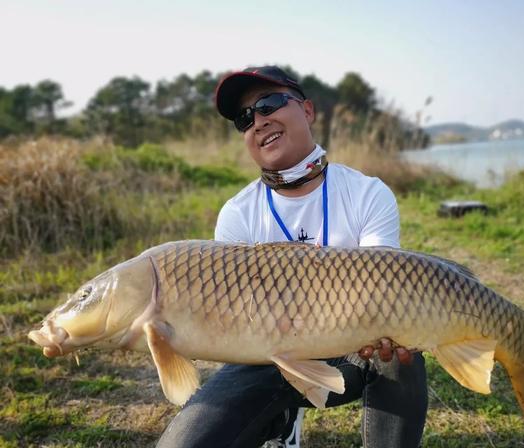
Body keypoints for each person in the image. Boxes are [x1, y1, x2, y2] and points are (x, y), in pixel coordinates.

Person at [156, 66, 428, 448]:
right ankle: (278, 419)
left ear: (308, 110)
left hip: (351, 351)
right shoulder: (237, 213)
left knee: (401, 354)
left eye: (269, 103)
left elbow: (384, 290)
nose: (259, 121)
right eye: (245, 118)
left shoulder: (367, 193)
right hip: (267, 359)